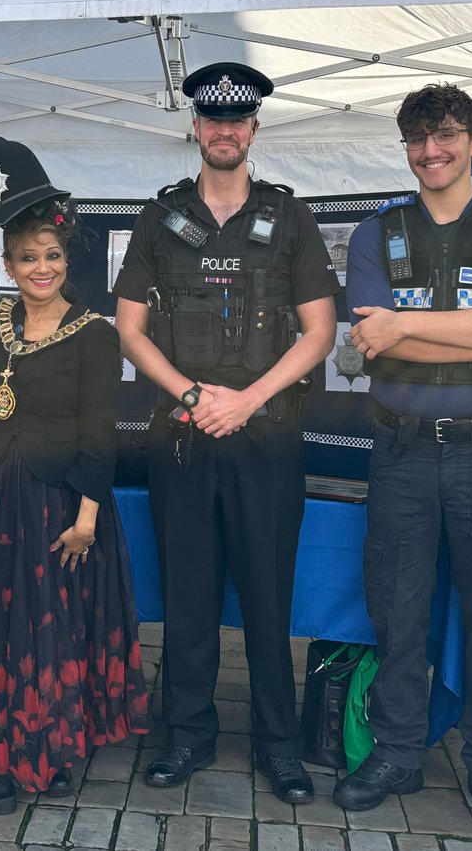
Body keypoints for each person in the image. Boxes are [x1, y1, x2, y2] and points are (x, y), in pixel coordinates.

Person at [113, 64, 339, 803]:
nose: (224, 131)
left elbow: (319, 333)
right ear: (196, 128)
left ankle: (278, 747)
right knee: (188, 599)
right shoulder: (159, 218)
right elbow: (130, 328)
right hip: (180, 437)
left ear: (254, 131)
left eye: (237, 121)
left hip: (266, 437)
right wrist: (190, 392)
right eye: (213, 119)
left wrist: (246, 401)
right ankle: (187, 736)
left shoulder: (291, 219)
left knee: (270, 602)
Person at [0, 136, 150, 820]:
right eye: (26, 258)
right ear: (11, 264)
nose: (40, 268)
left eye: (51, 256)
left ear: (66, 257)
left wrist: (86, 519)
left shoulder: (94, 333)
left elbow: (97, 435)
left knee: (41, 632)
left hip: (55, 505)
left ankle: (30, 753)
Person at [336, 83, 472, 833]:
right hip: (399, 452)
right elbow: (369, 337)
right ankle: (396, 752)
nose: (432, 151)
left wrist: (412, 328)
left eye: (447, 135)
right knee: (397, 611)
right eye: (418, 139)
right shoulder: (376, 232)